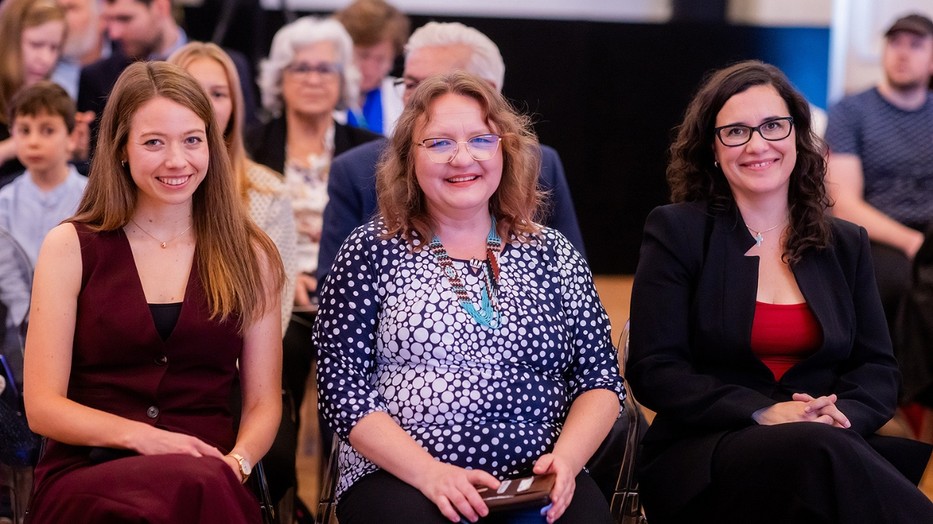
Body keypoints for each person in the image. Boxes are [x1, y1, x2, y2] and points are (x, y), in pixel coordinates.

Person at [627, 59, 933, 523]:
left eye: (773, 126)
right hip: (709, 452)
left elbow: (877, 368)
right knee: (818, 454)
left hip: (825, 445)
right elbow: (655, 369)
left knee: (816, 456)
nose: (758, 145)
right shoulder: (678, 232)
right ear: (712, 147)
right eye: (736, 132)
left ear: (797, 136)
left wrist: (841, 414)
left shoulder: (845, 242)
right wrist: (761, 413)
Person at [315, 71, 624, 524]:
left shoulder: (554, 252)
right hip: (402, 476)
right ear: (408, 159)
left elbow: (601, 380)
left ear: (505, 150)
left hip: (538, 471)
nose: (463, 158)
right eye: (439, 143)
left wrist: (568, 461)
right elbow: (341, 387)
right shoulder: (370, 250)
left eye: (481, 139)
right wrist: (431, 474)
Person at [22, 61, 285, 522]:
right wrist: (143, 438)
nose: (177, 161)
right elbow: (43, 407)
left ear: (212, 145)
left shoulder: (252, 254)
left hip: (209, 470)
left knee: (200, 488)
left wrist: (238, 462)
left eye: (192, 140)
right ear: (121, 148)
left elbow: (264, 401)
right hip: (89, 469)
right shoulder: (70, 247)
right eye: (153, 143)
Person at [317, 21, 585, 287]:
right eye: (411, 84)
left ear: (487, 91)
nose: (418, 99)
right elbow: (336, 291)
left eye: (437, 85)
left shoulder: (540, 164)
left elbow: (573, 277)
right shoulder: (355, 171)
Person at [246, 15, 382, 434]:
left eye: (325, 68)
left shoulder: (373, 152)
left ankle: (343, 487)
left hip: (350, 298)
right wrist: (286, 279)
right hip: (270, 294)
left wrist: (328, 279)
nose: (312, 78)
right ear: (278, 78)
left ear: (344, 80)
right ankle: (281, 486)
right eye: (300, 68)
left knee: (353, 367)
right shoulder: (249, 145)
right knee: (278, 352)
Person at [825, 13, 933, 339]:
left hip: (930, 230)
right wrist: (913, 242)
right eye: (895, 43)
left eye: (915, 45)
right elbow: (844, 204)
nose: (902, 53)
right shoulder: (851, 111)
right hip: (875, 234)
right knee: (896, 280)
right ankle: (895, 384)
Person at [78, 0, 259, 161]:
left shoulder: (229, 64)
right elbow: (99, 163)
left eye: (125, 19)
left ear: (160, 6)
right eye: (109, 20)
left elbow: (247, 136)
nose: (115, 33)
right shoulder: (97, 76)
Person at [0, 81, 87, 268]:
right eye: (24, 130)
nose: (33, 142)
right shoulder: (5, 203)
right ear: (12, 133)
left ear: (72, 137)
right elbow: (6, 272)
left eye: (47, 130)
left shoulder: (91, 196)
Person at [0, 0, 66, 184]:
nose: (46, 59)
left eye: (54, 48)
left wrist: (70, 147)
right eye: (36, 45)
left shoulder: (51, 96)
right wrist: (14, 146)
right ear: (9, 42)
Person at [334, 0, 409, 136]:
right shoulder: (323, 93)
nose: (369, 68)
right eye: (363, 56)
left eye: (380, 59)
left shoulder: (403, 94)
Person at [51, 0, 110, 100]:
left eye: (71, 8)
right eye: (56, 10)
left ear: (102, 18)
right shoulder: (37, 72)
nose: (60, 17)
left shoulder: (127, 61)